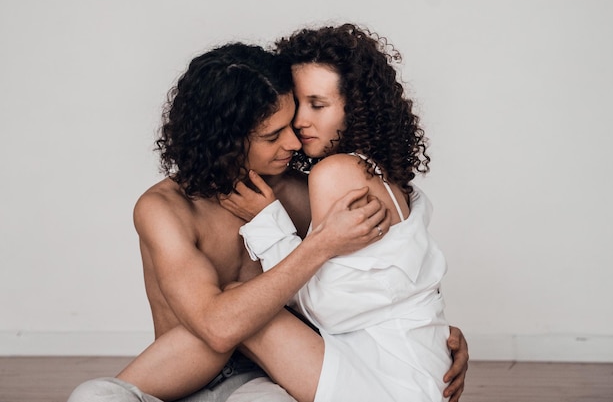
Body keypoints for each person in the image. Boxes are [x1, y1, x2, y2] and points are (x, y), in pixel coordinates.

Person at [68, 37, 469, 402]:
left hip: (268, 379)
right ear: (227, 140)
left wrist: (431, 337)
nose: (294, 140)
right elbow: (218, 327)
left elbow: (383, 277)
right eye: (272, 135)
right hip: (180, 380)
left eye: (293, 121)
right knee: (93, 397)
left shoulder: (301, 189)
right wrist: (320, 244)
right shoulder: (164, 209)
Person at [218, 23, 459, 402]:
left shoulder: (335, 172)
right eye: (297, 104)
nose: (300, 120)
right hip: (422, 374)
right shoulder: (384, 175)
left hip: (391, 384)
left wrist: (268, 222)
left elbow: (326, 310)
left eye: (318, 104)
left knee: (239, 308)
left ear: (355, 108)